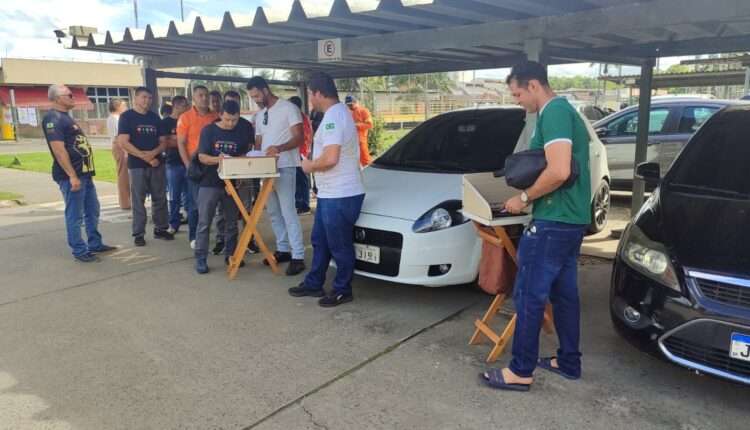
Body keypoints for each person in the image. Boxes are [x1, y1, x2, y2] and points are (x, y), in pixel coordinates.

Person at [480, 61, 592, 392]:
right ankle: (568, 361)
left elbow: (558, 171)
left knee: (529, 295)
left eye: (517, 94)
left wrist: (524, 198)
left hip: (552, 222)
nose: (517, 101)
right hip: (570, 221)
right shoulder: (565, 111)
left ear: (533, 85)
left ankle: (520, 371)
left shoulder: (553, 112)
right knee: (564, 296)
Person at [288, 72, 365, 307]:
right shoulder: (337, 114)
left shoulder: (334, 117)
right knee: (320, 240)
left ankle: (342, 289)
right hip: (331, 193)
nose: (310, 99)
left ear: (319, 93)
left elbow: (331, 158)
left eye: (311, 94)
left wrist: (309, 166)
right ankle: (314, 283)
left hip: (341, 194)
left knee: (339, 246)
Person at [42, 84, 116, 262]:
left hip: (84, 173)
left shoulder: (66, 117)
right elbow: (59, 150)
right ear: (57, 98)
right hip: (72, 176)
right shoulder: (53, 118)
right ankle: (79, 250)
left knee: (92, 210)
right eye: (69, 95)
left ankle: (95, 243)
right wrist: (72, 176)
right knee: (75, 215)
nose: (73, 97)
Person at [246, 76, 306, 276]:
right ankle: (283, 249)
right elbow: (259, 141)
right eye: (252, 97)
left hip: (285, 166)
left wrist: (279, 148)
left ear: (265, 90)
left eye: (256, 95)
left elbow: (299, 137)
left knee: (288, 211)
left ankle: (298, 256)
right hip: (265, 169)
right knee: (273, 211)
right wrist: (255, 158)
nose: (255, 100)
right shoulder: (260, 114)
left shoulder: (289, 108)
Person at [194, 100, 251, 274]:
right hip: (209, 183)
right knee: (204, 222)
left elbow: (243, 156)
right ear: (220, 115)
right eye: (227, 119)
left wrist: (239, 175)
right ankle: (201, 258)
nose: (231, 124)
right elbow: (202, 157)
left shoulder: (240, 133)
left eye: (234, 120)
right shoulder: (209, 131)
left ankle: (231, 255)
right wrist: (220, 160)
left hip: (231, 184)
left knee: (231, 222)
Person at [117, 87, 174, 246]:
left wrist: (154, 154)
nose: (147, 101)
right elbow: (123, 142)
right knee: (138, 200)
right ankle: (139, 233)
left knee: (160, 197)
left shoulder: (155, 118)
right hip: (137, 166)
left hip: (157, 164)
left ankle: (161, 228)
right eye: (143, 97)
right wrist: (146, 157)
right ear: (135, 98)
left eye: (149, 98)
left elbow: (163, 142)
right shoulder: (126, 117)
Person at [177, 85, 219, 249]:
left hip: (213, 165)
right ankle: (194, 237)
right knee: (194, 204)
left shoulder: (215, 116)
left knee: (211, 205)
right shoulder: (185, 117)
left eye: (206, 95)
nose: (204, 98)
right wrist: (188, 165)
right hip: (195, 166)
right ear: (193, 98)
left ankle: (213, 236)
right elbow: (181, 143)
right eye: (200, 95)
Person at [222, 90, 259, 254]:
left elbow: (250, 147)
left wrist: (243, 171)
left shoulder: (245, 125)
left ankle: (249, 240)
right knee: (223, 211)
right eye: (229, 101)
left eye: (235, 102)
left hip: (244, 172)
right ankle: (223, 241)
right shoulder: (217, 124)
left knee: (246, 207)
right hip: (222, 175)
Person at [160, 96, 189, 234]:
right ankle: (173, 223)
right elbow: (165, 142)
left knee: (189, 195)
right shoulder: (165, 122)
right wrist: (181, 140)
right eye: (185, 106)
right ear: (176, 106)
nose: (187, 108)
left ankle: (191, 220)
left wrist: (176, 139)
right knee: (174, 196)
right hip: (173, 163)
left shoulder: (187, 120)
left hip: (188, 162)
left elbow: (190, 140)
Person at [289, 96, 312, 214]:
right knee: (298, 179)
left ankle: (304, 205)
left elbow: (304, 136)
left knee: (301, 179)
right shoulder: (301, 117)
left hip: (300, 152)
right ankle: (300, 203)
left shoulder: (299, 118)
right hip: (301, 151)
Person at [107, 98, 130, 210]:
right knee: (123, 175)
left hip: (120, 145)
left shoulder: (115, 118)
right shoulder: (115, 119)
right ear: (117, 107)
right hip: (120, 146)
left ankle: (127, 200)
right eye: (124, 106)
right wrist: (126, 151)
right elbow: (118, 136)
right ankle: (125, 202)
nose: (126, 108)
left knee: (125, 174)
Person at [345, 95, 373, 167]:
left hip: (360, 140)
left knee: (365, 161)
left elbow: (369, 125)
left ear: (356, 102)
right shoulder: (347, 112)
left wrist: (356, 125)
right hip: (349, 141)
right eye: (348, 105)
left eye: (351, 104)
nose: (349, 106)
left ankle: (368, 172)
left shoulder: (364, 111)